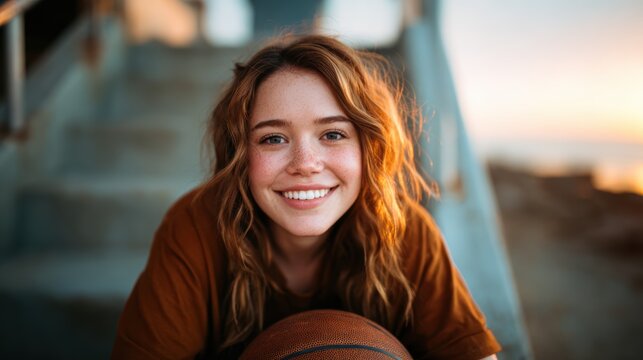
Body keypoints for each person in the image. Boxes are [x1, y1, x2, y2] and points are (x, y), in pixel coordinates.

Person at [112, 34, 501, 359]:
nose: (305, 163)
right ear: (241, 156)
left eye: (332, 134)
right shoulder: (197, 226)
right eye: (273, 138)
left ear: (369, 147)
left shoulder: (403, 232)